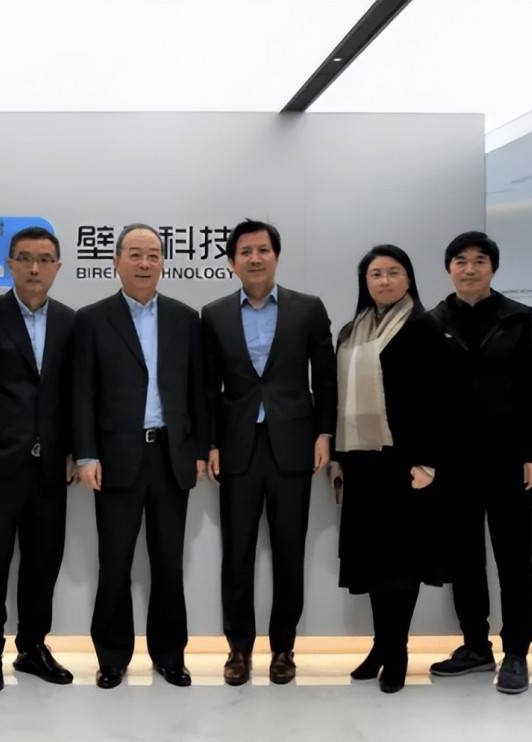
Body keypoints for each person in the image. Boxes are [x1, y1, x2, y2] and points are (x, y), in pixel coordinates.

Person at [201, 219, 335, 686]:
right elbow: (207, 388)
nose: (255, 258)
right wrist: (211, 442)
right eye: (245, 251)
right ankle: (238, 649)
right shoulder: (214, 314)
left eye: (263, 250)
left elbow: (326, 378)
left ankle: (283, 649)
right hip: (236, 447)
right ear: (232, 261)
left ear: (276, 256)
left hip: (294, 446)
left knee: (289, 551)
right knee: (236, 553)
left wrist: (325, 433)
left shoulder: (308, 309)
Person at [72, 223, 207, 689]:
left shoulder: (185, 318)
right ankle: (112, 656)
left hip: (171, 457)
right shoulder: (92, 319)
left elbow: (198, 390)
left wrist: (199, 448)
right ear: (116, 261)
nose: (145, 263)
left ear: (163, 262)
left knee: (168, 562)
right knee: (115, 563)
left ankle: (170, 654)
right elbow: (82, 393)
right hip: (115, 458)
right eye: (135, 254)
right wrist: (85, 454)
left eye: (153, 255)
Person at [428, 231, 532, 694]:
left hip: (509, 461)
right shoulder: (432, 322)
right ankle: (476, 646)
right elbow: (422, 397)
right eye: (460, 260)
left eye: (480, 260)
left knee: (514, 560)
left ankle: (517, 651)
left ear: (493, 268)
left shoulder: (519, 319)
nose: (470, 268)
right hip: (453, 463)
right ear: (449, 269)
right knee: (464, 559)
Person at [0, 226, 76, 692]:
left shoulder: (70, 321)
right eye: (25, 258)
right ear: (9, 265)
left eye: (44, 260)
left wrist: (73, 450)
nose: (34, 268)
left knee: (43, 563)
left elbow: (76, 394)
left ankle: (32, 648)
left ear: (57, 267)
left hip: (50, 469)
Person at [330, 244, 445, 693]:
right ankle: (381, 645)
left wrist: (428, 460)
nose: (384, 281)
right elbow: (338, 397)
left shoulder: (424, 326)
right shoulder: (352, 330)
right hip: (362, 461)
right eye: (375, 274)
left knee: (401, 563)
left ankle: (398, 652)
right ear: (365, 282)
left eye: (393, 272)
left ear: (408, 277)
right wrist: (338, 458)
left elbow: (439, 399)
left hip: (405, 462)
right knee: (373, 562)